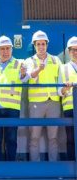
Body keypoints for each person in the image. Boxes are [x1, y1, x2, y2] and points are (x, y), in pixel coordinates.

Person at [0, 36, 28, 161]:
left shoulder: (20, 63)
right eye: (2, 49)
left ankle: (10, 166)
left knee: (11, 138)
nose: (5, 51)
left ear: (12, 49)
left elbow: (25, 78)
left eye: (7, 48)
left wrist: (23, 73)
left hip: (12, 107)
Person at [25, 30, 62, 161]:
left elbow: (61, 80)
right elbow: (30, 76)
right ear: (34, 45)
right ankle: (35, 167)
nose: (41, 47)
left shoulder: (55, 60)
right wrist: (39, 69)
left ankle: (54, 167)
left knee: (54, 137)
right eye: (38, 44)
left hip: (54, 102)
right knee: (34, 136)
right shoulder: (29, 61)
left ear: (47, 45)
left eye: (43, 44)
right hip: (36, 103)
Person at [59, 36, 77, 160]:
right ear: (68, 52)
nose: (75, 52)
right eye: (72, 50)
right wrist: (65, 89)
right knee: (71, 138)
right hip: (70, 108)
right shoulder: (63, 68)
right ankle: (72, 165)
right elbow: (59, 91)